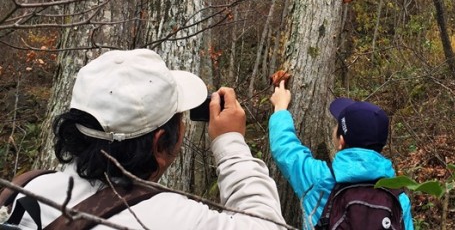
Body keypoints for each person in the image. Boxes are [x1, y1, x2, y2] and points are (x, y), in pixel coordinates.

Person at [4, 49, 286, 229]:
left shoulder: (25, 188)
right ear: (159, 143)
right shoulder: (171, 218)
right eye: (179, 117)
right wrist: (231, 143)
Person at [269, 81, 414, 230]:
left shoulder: (320, 179)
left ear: (341, 141)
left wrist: (280, 107)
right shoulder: (399, 199)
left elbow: (285, 148)